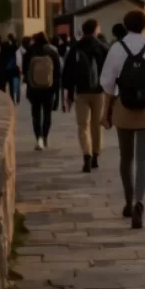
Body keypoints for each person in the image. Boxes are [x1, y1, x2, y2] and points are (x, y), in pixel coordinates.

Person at [101, 8, 145, 230]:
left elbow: (108, 84)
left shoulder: (116, 48)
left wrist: (106, 113)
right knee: (144, 159)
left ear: (125, 25)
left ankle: (128, 201)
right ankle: (140, 202)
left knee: (126, 157)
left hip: (123, 107)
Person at [62, 19, 109, 173]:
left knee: (83, 125)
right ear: (96, 29)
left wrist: (68, 93)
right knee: (96, 125)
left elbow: (67, 72)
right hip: (99, 92)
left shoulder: (75, 48)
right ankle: (96, 154)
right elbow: (110, 70)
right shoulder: (102, 47)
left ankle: (86, 154)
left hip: (81, 92)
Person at [23, 33, 61, 151]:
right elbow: (58, 73)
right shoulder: (52, 52)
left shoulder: (30, 52)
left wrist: (29, 85)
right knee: (47, 114)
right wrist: (56, 93)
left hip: (34, 88)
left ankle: (38, 138)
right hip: (49, 89)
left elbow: (25, 71)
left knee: (36, 115)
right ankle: (45, 137)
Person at [3, 34, 22, 104]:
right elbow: (19, 60)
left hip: (10, 69)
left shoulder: (8, 48)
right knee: (16, 84)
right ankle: (17, 98)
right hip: (16, 69)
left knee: (11, 85)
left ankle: (12, 99)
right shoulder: (17, 49)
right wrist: (20, 68)